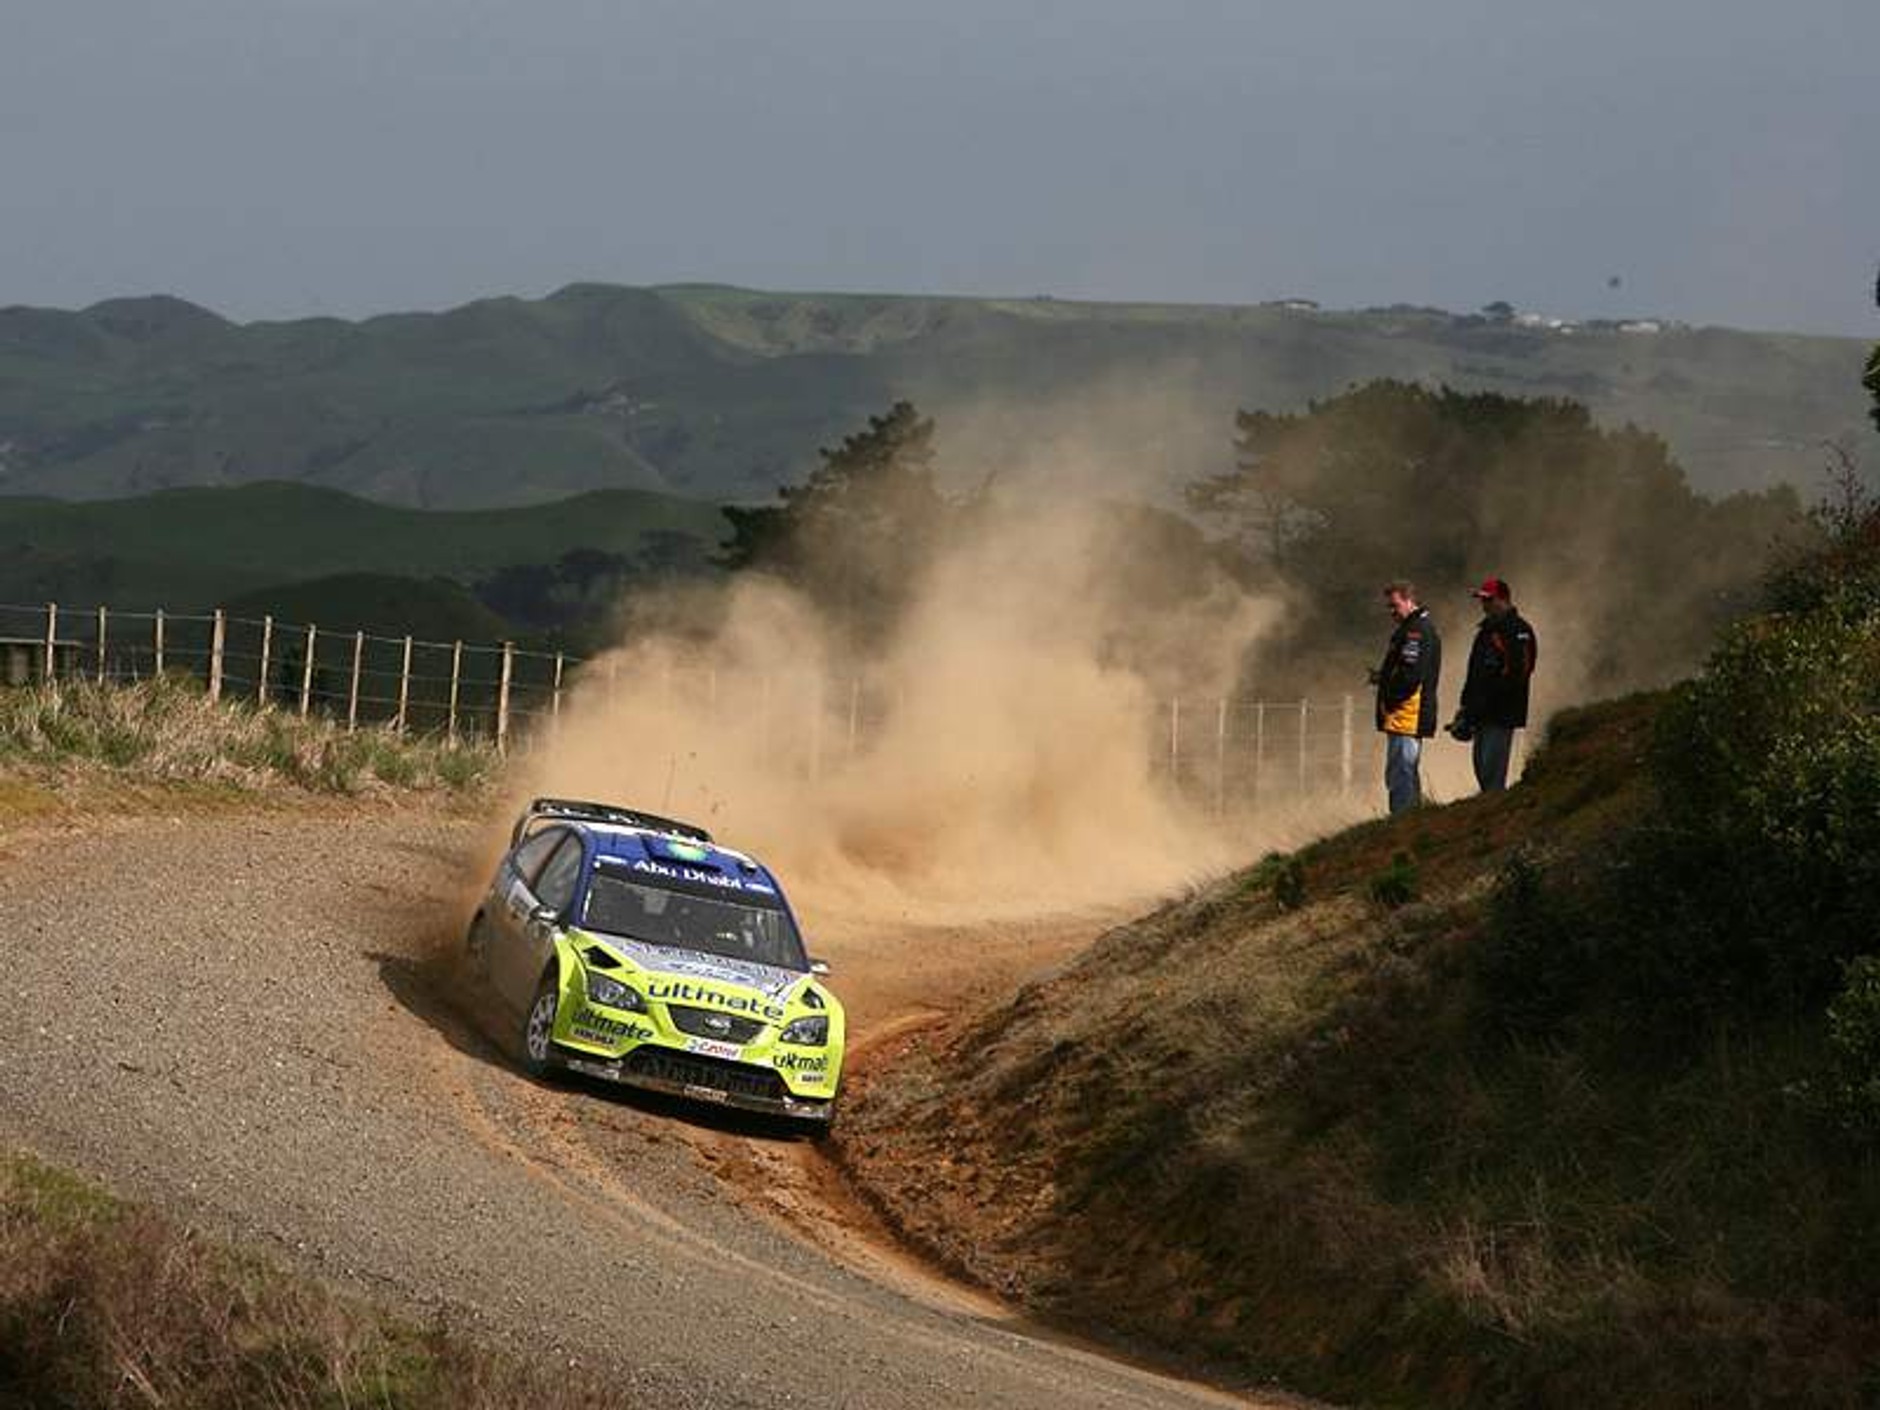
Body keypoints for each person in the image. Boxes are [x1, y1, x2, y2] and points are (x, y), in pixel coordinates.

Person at [1449, 576, 1538, 792]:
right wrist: (1466, 707)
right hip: (1480, 714)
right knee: (1482, 770)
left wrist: (1488, 699)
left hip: (1501, 714)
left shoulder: (1518, 630)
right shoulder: (1486, 632)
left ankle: (1499, 818)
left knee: (1492, 774)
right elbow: (1474, 673)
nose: (1484, 605)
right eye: (1482, 600)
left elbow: (1519, 673)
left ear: (1503, 599)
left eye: (1489, 600)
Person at [1372, 580, 1441, 813]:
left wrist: (1390, 698)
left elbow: (1411, 676)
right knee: (1402, 770)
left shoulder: (1417, 631)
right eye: (1388, 608)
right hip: (1403, 714)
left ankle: (1403, 819)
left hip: (1407, 713)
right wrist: (1383, 678)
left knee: (1401, 770)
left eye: (1395, 606)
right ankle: (1411, 816)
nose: (1391, 612)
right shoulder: (1412, 628)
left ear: (1410, 601)